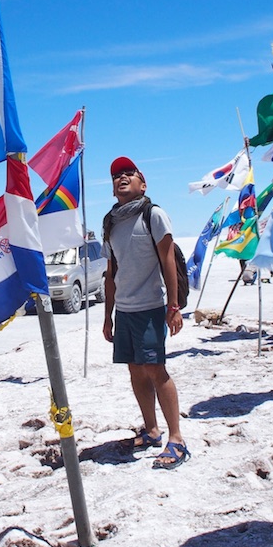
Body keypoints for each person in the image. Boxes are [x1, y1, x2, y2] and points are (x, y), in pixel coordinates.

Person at [102, 157, 189, 470]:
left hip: (150, 306)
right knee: (135, 370)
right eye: (116, 176)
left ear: (142, 183)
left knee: (155, 368)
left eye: (129, 174)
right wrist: (107, 315)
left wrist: (174, 305)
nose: (122, 178)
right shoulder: (110, 222)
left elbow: (168, 261)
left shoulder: (153, 214)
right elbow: (110, 274)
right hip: (124, 309)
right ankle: (152, 431)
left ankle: (176, 438)